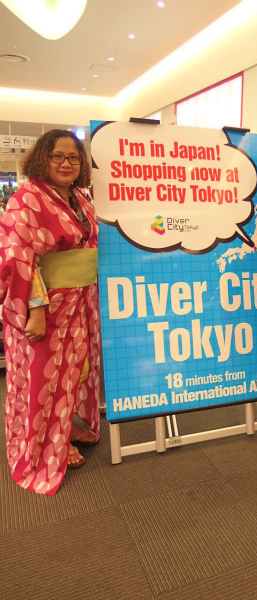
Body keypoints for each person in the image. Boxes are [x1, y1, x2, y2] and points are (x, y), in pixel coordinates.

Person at [0, 129, 101, 495]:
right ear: (43, 158)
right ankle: (46, 446)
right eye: (57, 156)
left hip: (79, 301)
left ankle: (64, 426)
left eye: (73, 157)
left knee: (73, 371)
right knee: (43, 379)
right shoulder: (26, 199)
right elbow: (18, 259)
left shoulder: (80, 197)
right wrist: (36, 309)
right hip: (46, 304)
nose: (66, 163)